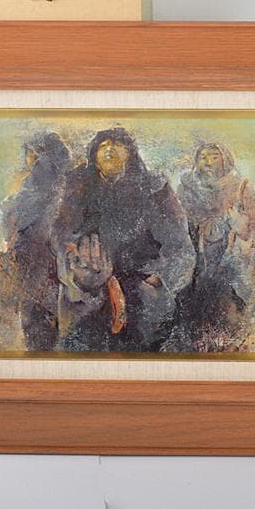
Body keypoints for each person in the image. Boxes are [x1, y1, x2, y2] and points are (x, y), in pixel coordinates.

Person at [53, 127, 194, 352]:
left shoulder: (154, 188)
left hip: (144, 294)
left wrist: (159, 279)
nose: (110, 149)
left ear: (130, 153)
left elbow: (179, 245)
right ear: (94, 157)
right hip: (89, 289)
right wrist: (79, 274)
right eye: (103, 145)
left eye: (118, 144)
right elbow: (62, 237)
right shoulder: (77, 188)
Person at [172, 142, 255, 351]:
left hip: (231, 260)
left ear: (225, 160)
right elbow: (174, 224)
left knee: (230, 309)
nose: (208, 162)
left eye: (214, 156)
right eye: (203, 157)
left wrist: (242, 228)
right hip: (197, 260)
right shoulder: (186, 189)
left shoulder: (241, 188)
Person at [0, 132, 71, 351]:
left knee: (47, 324)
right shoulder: (29, 186)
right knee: (34, 325)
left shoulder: (59, 190)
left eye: (33, 154)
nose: (29, 159)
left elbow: (53, 232)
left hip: (48, 268)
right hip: (27, 267)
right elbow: (11, 230)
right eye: (29, 153)